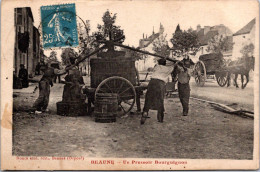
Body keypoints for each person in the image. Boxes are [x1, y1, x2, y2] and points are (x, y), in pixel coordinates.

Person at [141, 58, 175, 124]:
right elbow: (174, 66)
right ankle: (160, 118)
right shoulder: (168, 69)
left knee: (148, 98)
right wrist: (175, 62)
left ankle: (145, 112)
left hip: (152, 83)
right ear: (165, 63)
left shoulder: (157, 67)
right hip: (160, 84)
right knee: (160, 100)